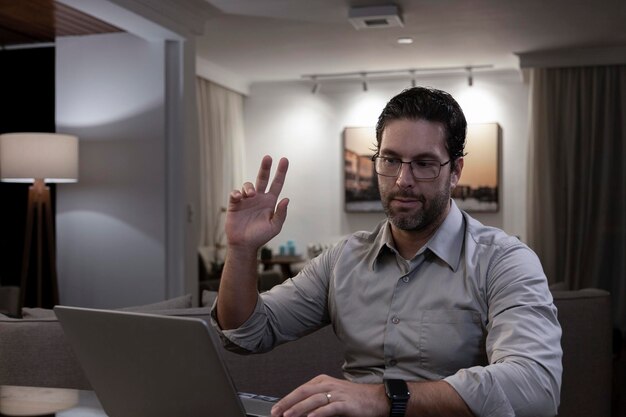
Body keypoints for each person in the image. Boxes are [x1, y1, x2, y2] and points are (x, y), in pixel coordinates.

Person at [212, 87, 562, 417]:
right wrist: (241, 250)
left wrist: (384, 398)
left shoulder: (504, 260)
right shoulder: (343, 259)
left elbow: (535, 386)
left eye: (424, 164)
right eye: (391, 160)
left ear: (455, 171)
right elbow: (247, 333)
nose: (402, 180)